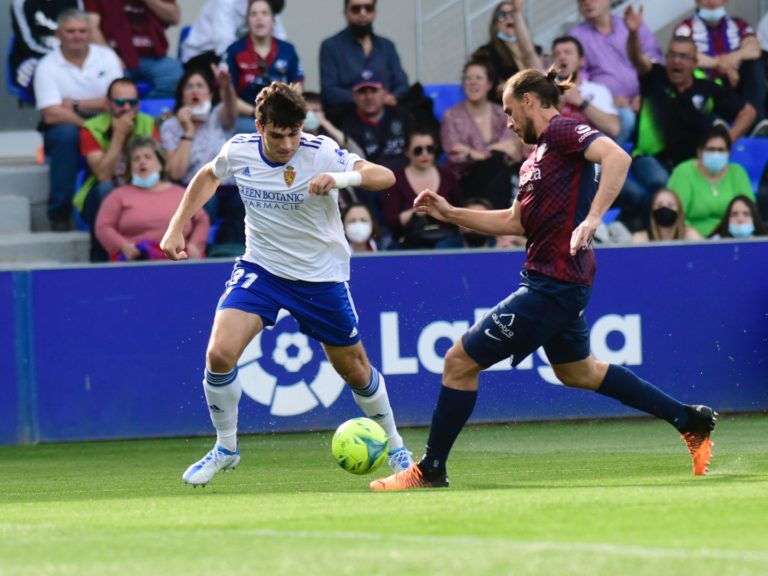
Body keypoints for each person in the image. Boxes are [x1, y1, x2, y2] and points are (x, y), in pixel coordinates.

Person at [370, 67, 717, 491]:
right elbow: (515, 221)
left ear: (530, 101)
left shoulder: (564, 131)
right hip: (557, 281)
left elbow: (618, 157)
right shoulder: (534, 160)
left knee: (458, 362)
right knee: (579, 372)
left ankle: (431, 469)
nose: (509, 122)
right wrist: (450, 213)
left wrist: (592, 219)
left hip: (553, 284)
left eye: (510, 111)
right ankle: (689, 419)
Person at [159, 82, 413, 486]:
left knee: (356, 370)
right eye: (277, 135)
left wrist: (340, 179)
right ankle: (226, 447)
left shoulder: (321, 152)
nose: (287, 143)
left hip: (321, 276)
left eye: (294, 133)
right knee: (219, 354)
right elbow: (208, 176)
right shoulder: (239, 149)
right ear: (260, 125)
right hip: (263, 269)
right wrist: (177, 226)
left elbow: (385, 178)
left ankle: (398, 447)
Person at [624, 6, 755, 208]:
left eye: (683, 57)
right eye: (672, 55)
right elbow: (637, 58)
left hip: (691, 164)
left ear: (695, 63)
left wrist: (727, 139)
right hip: (650, 158)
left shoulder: (706, 87)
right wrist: (633, 33)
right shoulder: (655, 76)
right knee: (662, 185)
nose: (676, 61)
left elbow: (748, 111)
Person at [33, 8, 122, 231]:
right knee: (65, 136)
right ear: (59, 35)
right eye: (70, 31)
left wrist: (74, 104)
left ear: (90, 33)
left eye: (83, 31)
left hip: (107, 120)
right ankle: (59, 213)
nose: (77, 36)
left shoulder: (107, 57)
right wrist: (90, 125)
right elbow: (51, 113)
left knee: (126, 124)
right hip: (67, 126)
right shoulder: (46, 65)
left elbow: (118, 99)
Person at [75, 78, 160, 261]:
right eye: (120, 102)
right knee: (105, 191)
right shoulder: (91, 128)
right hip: (104, 193)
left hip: (142, 190)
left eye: (133, 102)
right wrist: (119, 135)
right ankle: (100, 261)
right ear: (107, 103)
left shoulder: (147, 123)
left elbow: (157, 169)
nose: (127, 108)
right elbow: (103, 175)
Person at [95, 137, 210, 261]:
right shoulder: (118, 196)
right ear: (130, 168)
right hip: (136, 261)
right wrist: (123, 246)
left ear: (160, 165)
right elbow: (103, 226)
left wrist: (195, 245)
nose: (142, 162)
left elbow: (202, 220)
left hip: (178, 260)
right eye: (136, 159)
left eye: (147, 157)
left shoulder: (182, 194)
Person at [570, 0, 663, 144]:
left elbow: (654, 57)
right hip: (610, 107)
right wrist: (610, 101)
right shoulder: (576, 36)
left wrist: (643, 94)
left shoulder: (630, 24)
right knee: (626, 118)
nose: (587, 2)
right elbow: (580, 79)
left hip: (646, 96)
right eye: (581, 0)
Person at [673, 0, 765, 130]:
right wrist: (720, 65)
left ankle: (757, 124)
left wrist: (733, 58)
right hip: (707, 88)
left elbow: (754, 49)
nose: (711, 2)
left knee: (754, 64)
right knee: (689, 71)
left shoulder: (738, 24)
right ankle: (713, 123)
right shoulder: (686, 27)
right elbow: (683, 55)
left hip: (735, 87)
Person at [441, 59, 521, 209]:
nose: (473, 82)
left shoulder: (502, 113)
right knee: (496, 161)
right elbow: (455, 155)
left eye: (478, 78)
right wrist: (493, 150)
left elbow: (511, 149)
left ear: (489, 84)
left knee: (501, 164)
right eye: (468, 78)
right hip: (465, 180)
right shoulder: (451, 116)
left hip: (499, 177)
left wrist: (476, 153)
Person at [319, 0, 409, 119]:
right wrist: (365, 101)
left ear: (375, 13)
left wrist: (385, 98)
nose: (363, 13)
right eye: (356, 9)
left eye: (368, 8)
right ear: (346, 13)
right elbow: (329, 91)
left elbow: (402, 84)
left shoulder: (387, 46)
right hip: (347, 117)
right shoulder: (330, 47)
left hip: (387, 116)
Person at [225, 0, 304, 134]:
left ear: (273, 20)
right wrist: (256, 113)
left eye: (264, 13)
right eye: (253, 14)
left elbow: (297, 87)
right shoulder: (235, 51)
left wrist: (283, 111)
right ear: (247, 20)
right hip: (247, 117)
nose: (259, 18)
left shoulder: (288, 50)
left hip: (282, 114)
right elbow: (229, 96)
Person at [667, 124, 754, 237]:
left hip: (730, 238)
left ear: (729, 153)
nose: (716, 154)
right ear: (699, 152)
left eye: (721, 150)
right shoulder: (683, 173)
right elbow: (676, 215)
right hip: (692, 241)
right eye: (711, 149)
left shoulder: (738, 173)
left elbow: (749, 211)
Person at [84, 0, 184, 98]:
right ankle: (125, 108)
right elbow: (91, 28)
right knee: (107, 85)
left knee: (175, 76)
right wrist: (111, 58)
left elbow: (174, 17)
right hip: (118, 58)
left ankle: (145, 111)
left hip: (154, 58)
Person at [383, 127, 462, 249]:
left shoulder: (447, 176)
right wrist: (417, 211)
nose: (425, 154)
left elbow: (459, 210)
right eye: (418, 150)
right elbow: (392, 221)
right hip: (409, 242)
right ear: (407, 152)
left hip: (446, 241)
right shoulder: (395, 180)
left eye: (429, 149)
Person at [181, 0, 288, 72]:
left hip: (241, 53)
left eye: (266, 12)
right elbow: (224, 45)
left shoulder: (268, 3)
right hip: (203, 53)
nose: (261, 16)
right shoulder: (226, 2)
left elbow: (280, 39)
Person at [470, 0, 543, 104]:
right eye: (502, 15)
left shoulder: (536, 50)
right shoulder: (486, 53)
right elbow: (492, 89)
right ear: (495, 24)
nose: (509, 17)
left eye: (513, 14)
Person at [10, 0, 83, 97]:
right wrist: (61, 59)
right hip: (34, 58)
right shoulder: (21, 2)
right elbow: (27, 44)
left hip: (71, 56)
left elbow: (82, 34)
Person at [551, 35, 620, 139]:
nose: (562, 57)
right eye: (557, 54)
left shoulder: (597, 91)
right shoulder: (548, 91)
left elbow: (613, 128)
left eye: (568, 52)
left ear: (581, 60)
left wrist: (581, 102)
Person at [631, 188, 702, 243]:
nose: (664, 208)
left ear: (679, 211)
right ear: (652, 210)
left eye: (670, 205)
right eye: (659, 205)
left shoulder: (690, 236)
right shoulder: (641, 239)